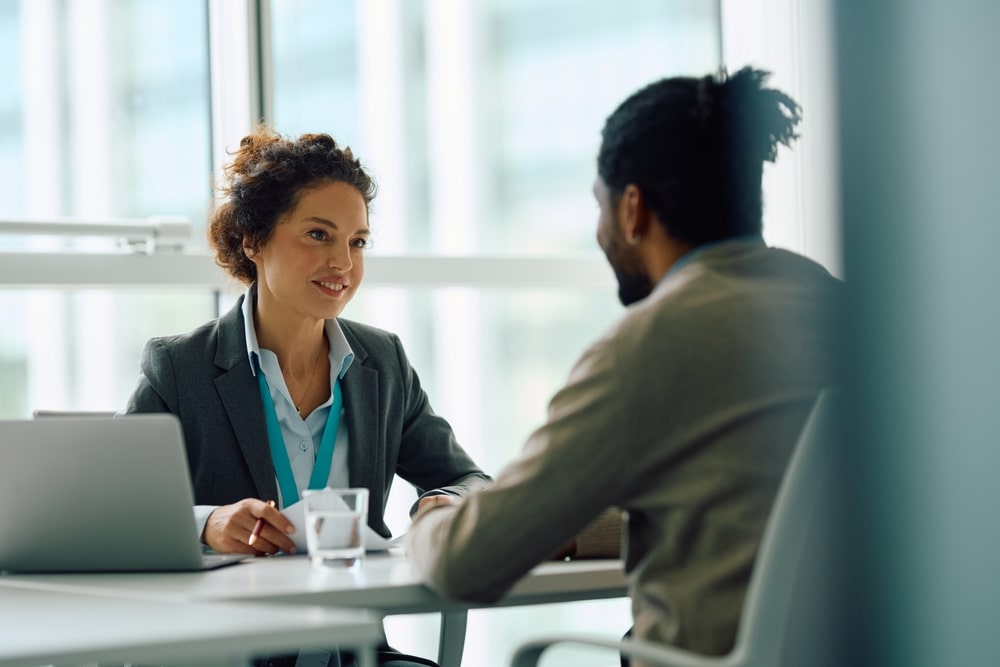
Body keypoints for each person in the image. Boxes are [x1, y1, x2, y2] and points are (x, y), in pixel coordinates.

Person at [405, 67, 845, 665]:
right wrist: (574, 525)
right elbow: (753, 498)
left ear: (633, 209)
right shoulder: (841, 310)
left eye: (600, 206)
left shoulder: (650, 343)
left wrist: (436, 517)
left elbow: (466, 564)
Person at [124, 126, 491, 667]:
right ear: (253, 239)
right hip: (226, 655)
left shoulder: (382, 363)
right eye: (319, 235)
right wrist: (207, 523)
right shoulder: (181, 367)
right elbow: (116, 514)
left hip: (354, 654)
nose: (343, 262)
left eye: (357, 241)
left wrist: (445, 503)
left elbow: (468, 478)